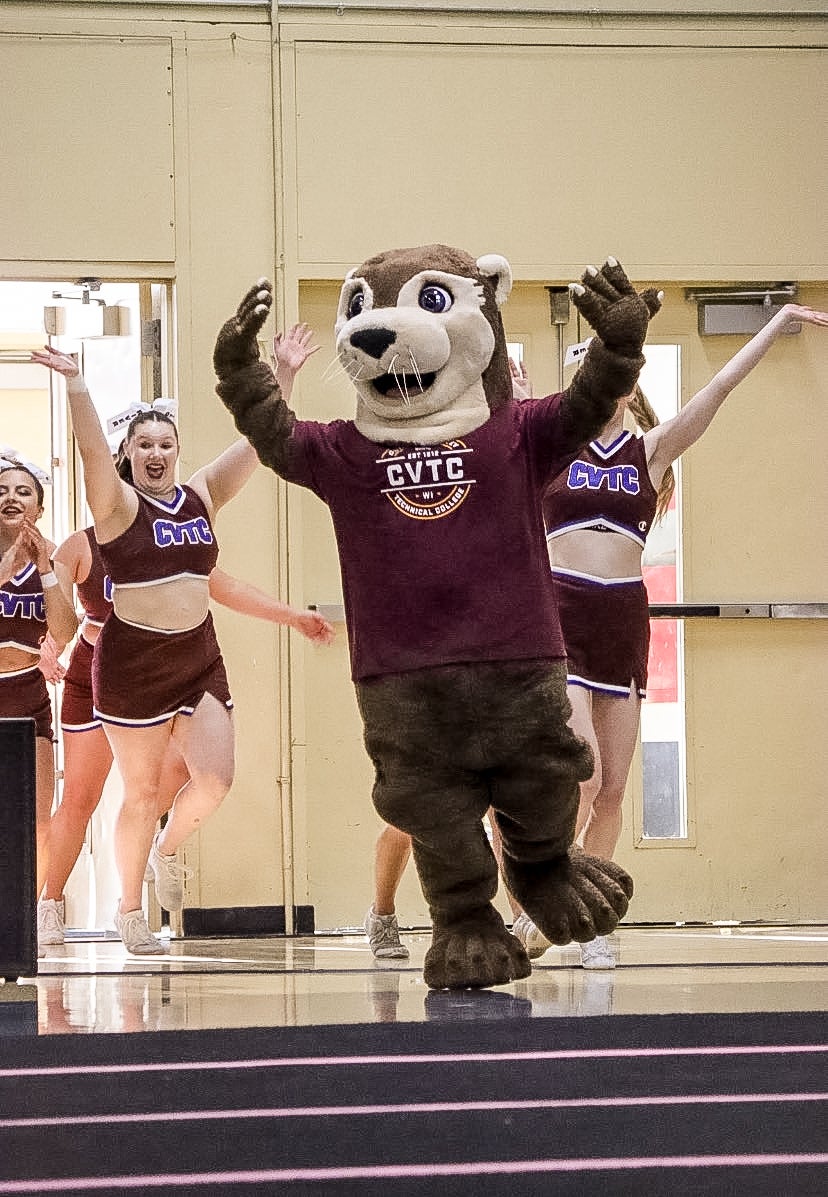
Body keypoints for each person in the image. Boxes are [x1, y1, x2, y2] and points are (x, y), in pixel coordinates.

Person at [508, 301, 828, 969]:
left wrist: (778, 320)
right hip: (561, 613)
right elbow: (491, 411)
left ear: (628, 384)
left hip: (623, 616)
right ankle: (543, 899)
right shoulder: (548, 447)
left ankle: (590, 922)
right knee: (583, 773)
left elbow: (719, 388)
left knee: (617, 786)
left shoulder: (649, 451)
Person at [32, 327, 326, 955]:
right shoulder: (114, 513)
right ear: (130, 455)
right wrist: (77, 385)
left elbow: (256, 444)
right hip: (131, 665)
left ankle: (168, 851)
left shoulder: (200, 497)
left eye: (166, 443)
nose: (157, 453)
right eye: (145, 445)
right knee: (137, 793)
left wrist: (284, 376)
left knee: (214, 780)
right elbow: (88, 458)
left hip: (197, 658)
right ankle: (127, 913)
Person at [36, 536, 333, 948]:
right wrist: (46, 645)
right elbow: (54, 607)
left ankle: (164, 847)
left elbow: (223, 584)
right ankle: (52, 903)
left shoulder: (173, 534)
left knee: (191, 777)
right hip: (99, 668)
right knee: (83, 797)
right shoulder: (81, 545)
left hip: (169, 667)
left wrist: (288, 616)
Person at [0, 459, 78, 907]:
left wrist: (45, 569)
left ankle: (23, 918)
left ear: (39, 506)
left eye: (23, 491)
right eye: (3, 489)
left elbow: (64, 631)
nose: (12, 497)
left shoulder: (52, 553)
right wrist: (6, 567)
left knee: (37, 819)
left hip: (28, 691)